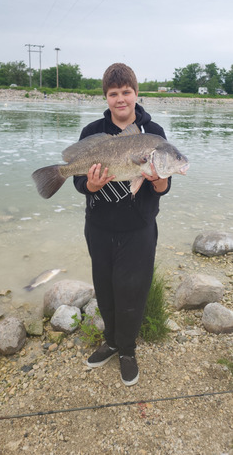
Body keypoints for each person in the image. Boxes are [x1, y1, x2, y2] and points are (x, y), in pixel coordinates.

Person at [73, 63, 171, 386]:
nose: (120, 99)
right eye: (113, 93)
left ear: (136, 93)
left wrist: (157, 180)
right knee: (104, 288)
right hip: (99, 229)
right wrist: (90, 185)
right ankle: (111, 341)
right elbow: (77, 182)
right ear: (106, 96)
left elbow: (164, 187)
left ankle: (127, 350)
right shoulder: (91, 133)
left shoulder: (153, 134)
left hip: (139, 230)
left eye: (126, 92)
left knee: (133, 291)